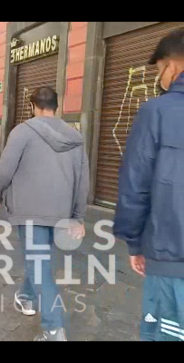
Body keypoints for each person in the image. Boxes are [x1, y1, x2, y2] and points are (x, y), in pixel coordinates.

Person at [0, 87, 89, 342]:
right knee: (40, 262)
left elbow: (4, 169)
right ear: (57, 105)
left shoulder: (23, 131)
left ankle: (54, 329)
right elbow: (82, 180)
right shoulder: (74, 136)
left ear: (33, 105)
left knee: (39, 266)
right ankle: (26, 297)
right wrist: (78, 216)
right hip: (60, 212)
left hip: (29, 210)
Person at [113, 28, 184, 342]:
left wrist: (134, 242)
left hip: (170, 255)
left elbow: (136, 182)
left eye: (159, 70)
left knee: (165, 332)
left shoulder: (156, 112)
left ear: (172, 66)